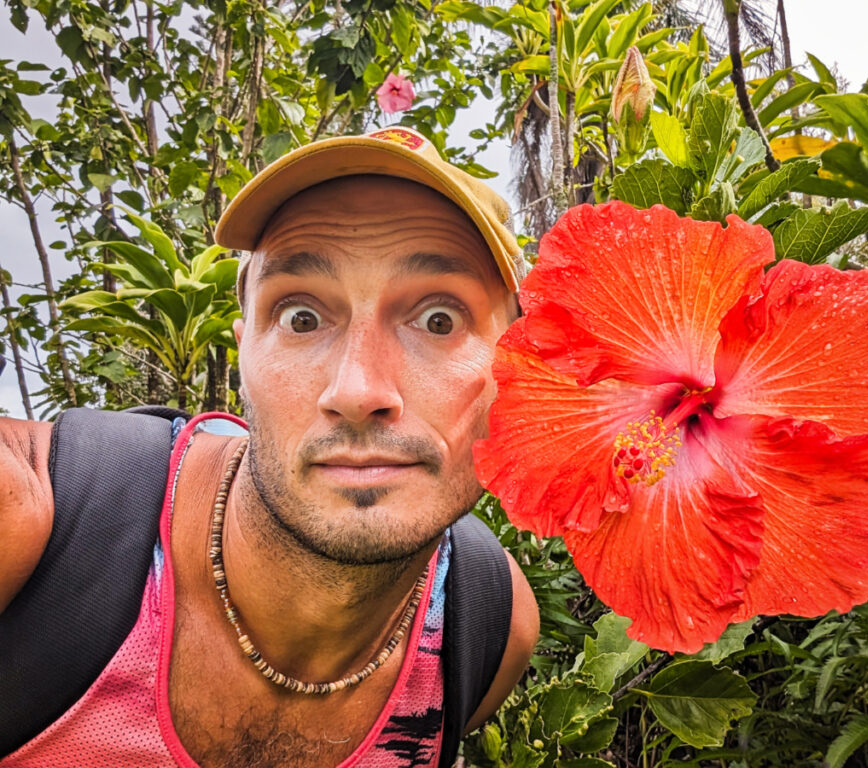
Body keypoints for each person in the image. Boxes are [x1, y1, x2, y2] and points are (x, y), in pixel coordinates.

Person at [0, 127, 539, 767]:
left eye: (439, 320)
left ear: (529, 366)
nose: (357, 389)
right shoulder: (27, 512)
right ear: (243, 352)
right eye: (301, 317)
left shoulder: (488, 630)